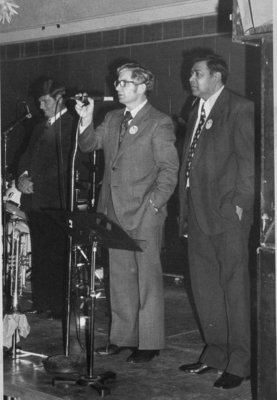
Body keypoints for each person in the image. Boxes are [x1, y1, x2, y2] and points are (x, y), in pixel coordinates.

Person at [75, 62, 179, 363]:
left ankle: (149, 343)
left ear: (142, 86)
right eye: (117, 82)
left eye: (124, 82)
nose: (117, 86)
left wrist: (154, 205)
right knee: (118, 277)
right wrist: (85, 119)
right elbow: (88, 145)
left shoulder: (159, 122)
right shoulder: (111, 117)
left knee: (146, 279)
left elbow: (169, 170)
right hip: (112, 210)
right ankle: (123, 338)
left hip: (145, 212)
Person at [178, 53, 255, 389]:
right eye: (191, 75)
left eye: (197, 74)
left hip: (227, 214)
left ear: (217, 76)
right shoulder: (196, 109)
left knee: (234, 289)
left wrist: (239, 204)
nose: (191, 80)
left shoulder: (239, 108)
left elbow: (249, 161)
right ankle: (215, 354)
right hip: (197, 212)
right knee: (205, 287)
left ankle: (240, 362)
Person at [17, 78, 76, 318]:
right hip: (35, 201)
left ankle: (60, 306)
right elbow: (25, 157)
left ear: (59, 99)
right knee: (40, 252)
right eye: (40, 101)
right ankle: (42, 301)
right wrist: (21, 177)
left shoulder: (71, 124)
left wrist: (35, 182)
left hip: (56, 200)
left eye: (45, 100)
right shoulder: (40, 127)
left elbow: (63, 165)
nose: (41, 106)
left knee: (57, 253)